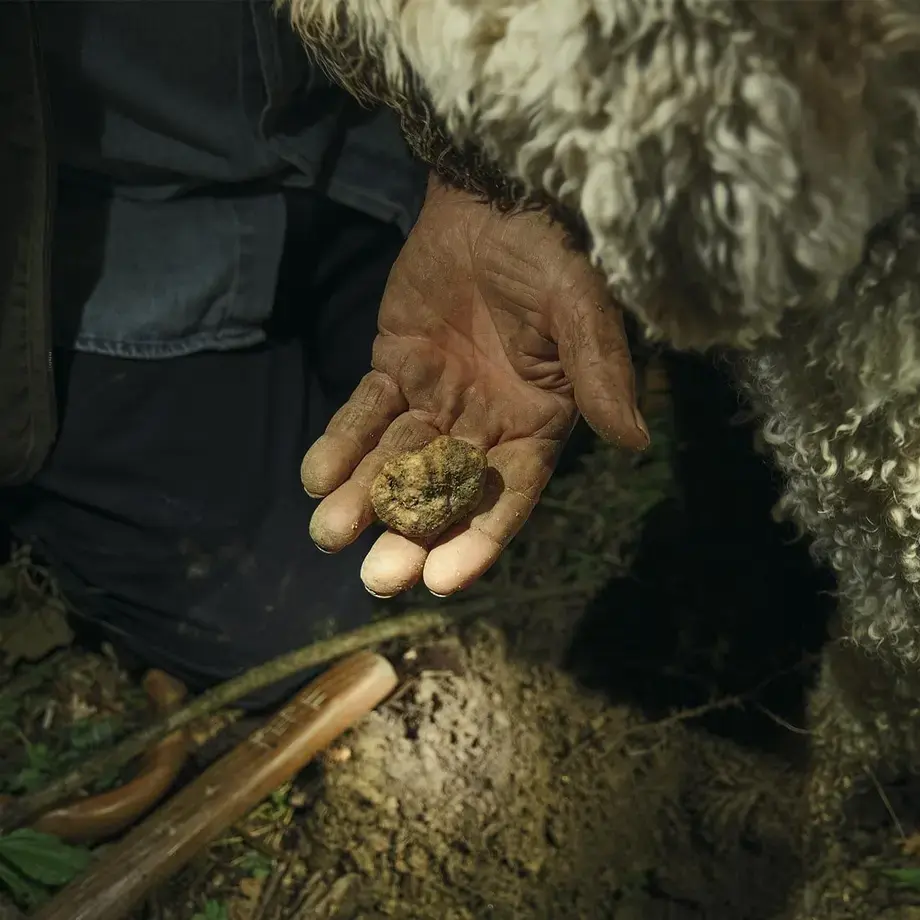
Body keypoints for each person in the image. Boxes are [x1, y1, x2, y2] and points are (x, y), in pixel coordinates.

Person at [0, 1, 646, 707]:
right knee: (285, 632)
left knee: (532, 405)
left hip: (371, 139)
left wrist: (502, 167)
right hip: (88, 251)